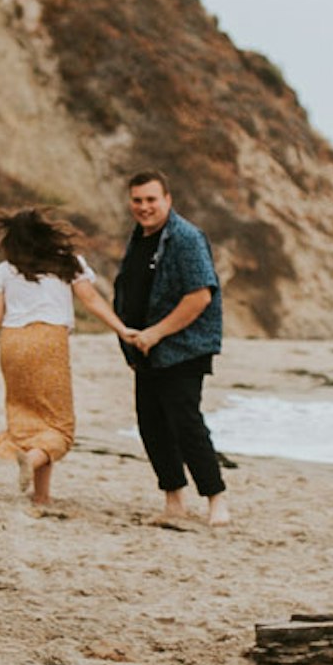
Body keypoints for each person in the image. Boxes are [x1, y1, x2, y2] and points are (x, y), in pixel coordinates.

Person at [0, 208, 119, 510]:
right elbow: (91, 300)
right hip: (48, 342)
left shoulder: (4, 270)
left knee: (28, 418)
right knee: (59, 427)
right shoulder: (68, 263)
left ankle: (41, 496)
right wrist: (122, 329)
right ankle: (33, 458)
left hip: (12, 344)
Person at [108, 172, 228, 524]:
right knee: (152, 424)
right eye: (137, 200)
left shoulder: (186, 238)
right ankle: (174, 500)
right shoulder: (141, 238)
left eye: (151, 200)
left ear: (167, 199)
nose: (144, 207)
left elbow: (201, 295)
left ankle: (216, 498)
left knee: (185, 423)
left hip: (184, 346)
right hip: (145, 350)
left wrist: (157, 333)